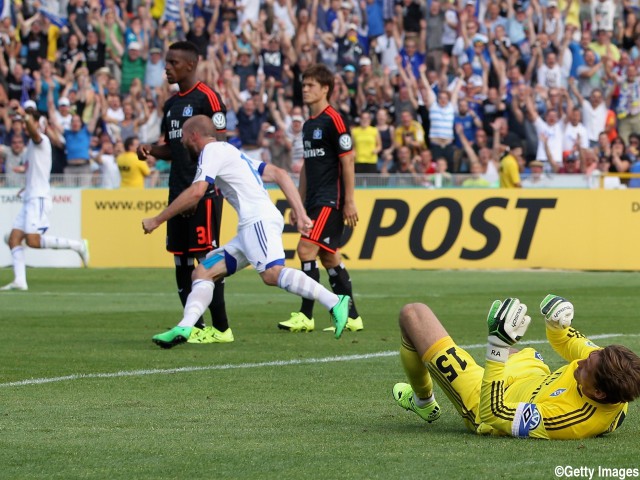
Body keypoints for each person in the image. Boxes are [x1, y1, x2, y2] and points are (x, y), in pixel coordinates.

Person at [141, 115, 351, 347]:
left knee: (272, 274)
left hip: (257, 221)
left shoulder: (210, 152)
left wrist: (157, 220)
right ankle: (185, 327)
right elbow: (279, 174)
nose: (181, 144)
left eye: (182, 138)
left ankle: (334, 301)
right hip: (250, 226)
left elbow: (196, 191)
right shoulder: (230, 152)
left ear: (193, 136)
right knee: (202, 272)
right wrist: (300, 213)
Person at [391, 294, 640, 439]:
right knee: (512, 341)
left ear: (598, 393)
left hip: (491, 400)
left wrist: (496, 345)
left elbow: (495, 413)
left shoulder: (569, 420)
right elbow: (566, 341)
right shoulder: (606, 368)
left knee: (413, 314)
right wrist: (558, 324)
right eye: (590, 356)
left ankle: (424, 403)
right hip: (534, 380)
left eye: (584, 369)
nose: (581, 361)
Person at [136, 41, 231, 344]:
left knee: (207, 261)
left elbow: (219, 144)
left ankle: (221, 327)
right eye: (166, 62)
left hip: (201, 192)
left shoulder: (208, 99)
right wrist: (152, 149)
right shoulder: (170, 105)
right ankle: (196, 327)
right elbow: (173, 148)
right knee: (180, 261)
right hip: (177, 191)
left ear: (190, 65)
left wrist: (200, 190)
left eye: (173, 63)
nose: (167, 67)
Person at [277, 64, 363, 334]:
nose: (305, 89)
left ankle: (306, 315)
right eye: (303, 85)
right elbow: (306, 166)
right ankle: (352, 317)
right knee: (329, 258)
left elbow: (348, 161)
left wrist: (349, 200)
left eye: (311, 85)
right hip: (313, 200)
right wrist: (298, 203)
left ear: (325, 88)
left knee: (305, 251)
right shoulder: (309, 124)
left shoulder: (334, 120)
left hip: (330, 199)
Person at [1, 102, 89, 291]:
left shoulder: (41, 140)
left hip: (39, 199)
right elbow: (36, 171)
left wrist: (25, 116)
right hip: (30, 197)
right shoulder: (32, 145)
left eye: (30, 121)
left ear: (39, 124)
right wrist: (26, 188)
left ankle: (77, 245)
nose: (26, 125)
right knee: (14, 239)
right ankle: (20, 281)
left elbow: (33, 132)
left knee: (32, 241)